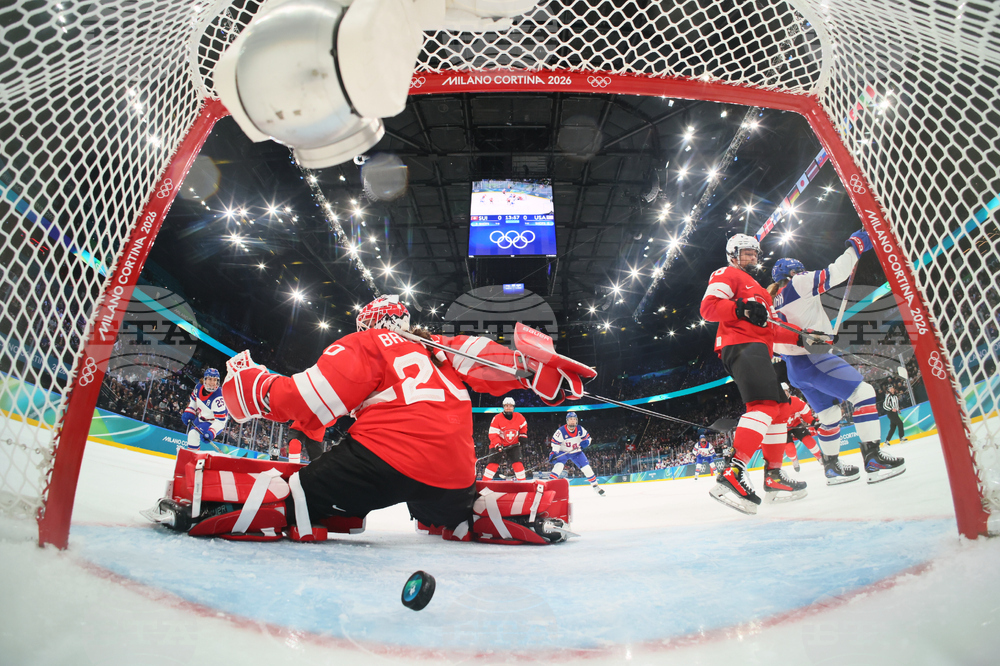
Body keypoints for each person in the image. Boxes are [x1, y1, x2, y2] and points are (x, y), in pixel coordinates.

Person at [150, 295, 594, 544]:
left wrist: (253, 386)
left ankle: (216, 510)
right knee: (431, 508)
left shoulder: (370, 344)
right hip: (451, 473)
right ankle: (466, 515)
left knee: (301, 492)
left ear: (372, 322)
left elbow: (310, 399)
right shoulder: (442, 346)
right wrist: (530, 367)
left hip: (382, 460)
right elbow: (484, 357)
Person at [770, 229, 905, 484]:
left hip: (795, 368)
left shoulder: (772, 302)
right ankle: (873, 456)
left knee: (830, 416)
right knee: (863, 393)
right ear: (791, 274)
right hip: (812, 359)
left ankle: (831, 468)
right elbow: (836, 273)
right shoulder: (798, 283)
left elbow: (775, 343)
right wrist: (855, 246)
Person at [700, 233, 807, 513]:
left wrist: (805, 339)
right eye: (745, 252)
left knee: (781, 410)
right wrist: (740, 308)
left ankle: (773, 477)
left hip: (758, 348)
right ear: (732, 254)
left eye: (754, 254)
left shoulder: (759, 289)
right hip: (741, 345)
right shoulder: (727, 273)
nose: (751, 257)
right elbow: (709, 308)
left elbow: (771, 328)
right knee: (763, 406)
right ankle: (732, 474)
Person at [549, 411, 604, 496]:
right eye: (571, 419)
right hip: (563, 451)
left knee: (587, 468)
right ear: (567, 421)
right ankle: (550, 486)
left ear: (576, 420)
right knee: (559, 466)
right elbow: (555, 444)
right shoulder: (561, 431)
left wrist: (585, 443)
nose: (572, 421)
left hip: (576, 452)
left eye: (574, 419)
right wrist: (554, 453)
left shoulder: (580, 429)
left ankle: (595, 486)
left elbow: (588, 439)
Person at [180, 368, 227, 450]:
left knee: (193, 434)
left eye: (215, 380)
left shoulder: (219, 398)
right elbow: (193, 401)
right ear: (205, 379)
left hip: (212, 423)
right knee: (191, 437)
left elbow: (221, 421)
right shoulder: (198, 387)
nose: (212, 382)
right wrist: (190, 411)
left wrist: (212, 432)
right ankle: (192, 457)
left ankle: (192, 459)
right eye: (210, 379)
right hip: (200, 419)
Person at [781, 382, 823, 472]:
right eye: (781, 392)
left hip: (796, 424)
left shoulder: (796, 401)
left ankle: (820, 457)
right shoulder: (775, 405)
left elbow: (806, 415)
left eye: (785, 391)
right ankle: (794, 460)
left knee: (808, 440)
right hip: (783, 429)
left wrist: (813, 422)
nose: (784, 394)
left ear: (788, 391)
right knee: (790, 449)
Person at [484, 397, 528, 480]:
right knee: (492, 463)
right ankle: (484, 482)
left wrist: (523, 435)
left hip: (513, 444)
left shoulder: (519, 417)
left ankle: (523, 483)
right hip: (499, 444)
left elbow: (523, 427)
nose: (508, 408)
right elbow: (493, 434)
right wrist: (498, 445)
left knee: (518, 463)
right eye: (506, 406)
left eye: (510, 406)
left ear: (513, 407)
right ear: (503, 407)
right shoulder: (497, 418)